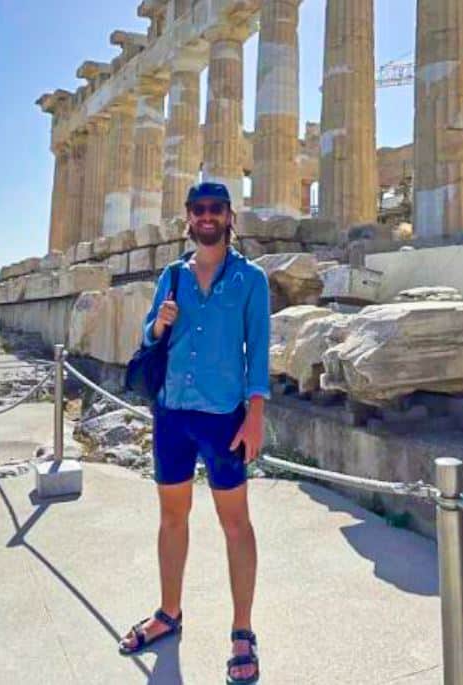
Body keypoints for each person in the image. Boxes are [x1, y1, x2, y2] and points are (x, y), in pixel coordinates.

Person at [119, 183, 270, 685]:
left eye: (216, 210)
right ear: (188, 218)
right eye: (199, 210)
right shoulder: (171, 275)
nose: (207, 217)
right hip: (172, 414)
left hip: (224, 417)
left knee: (235, 523)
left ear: (229, 216)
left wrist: (256, 413)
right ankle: (168, 612)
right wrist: (158, 325)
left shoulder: (251, 280)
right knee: (171, 517)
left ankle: (243, 631)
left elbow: (259, 351)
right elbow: (147, 336)